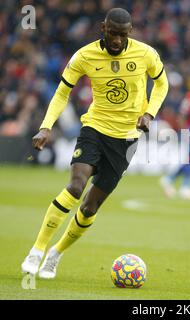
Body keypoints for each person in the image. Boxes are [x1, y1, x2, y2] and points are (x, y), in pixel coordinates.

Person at [21, 8, 169, 279]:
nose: (116, 40)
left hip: (126, 138)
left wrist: (150, 113)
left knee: (90, 207)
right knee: (76, 186)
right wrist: (46, 127)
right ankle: (37, 249)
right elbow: (62, 92)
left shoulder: (146, 54)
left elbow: (162, 84)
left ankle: (56, 253)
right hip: (95, 128)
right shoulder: (84, 56)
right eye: (113, 33)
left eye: (122, 35)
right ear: (103, 28)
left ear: (130, 33)